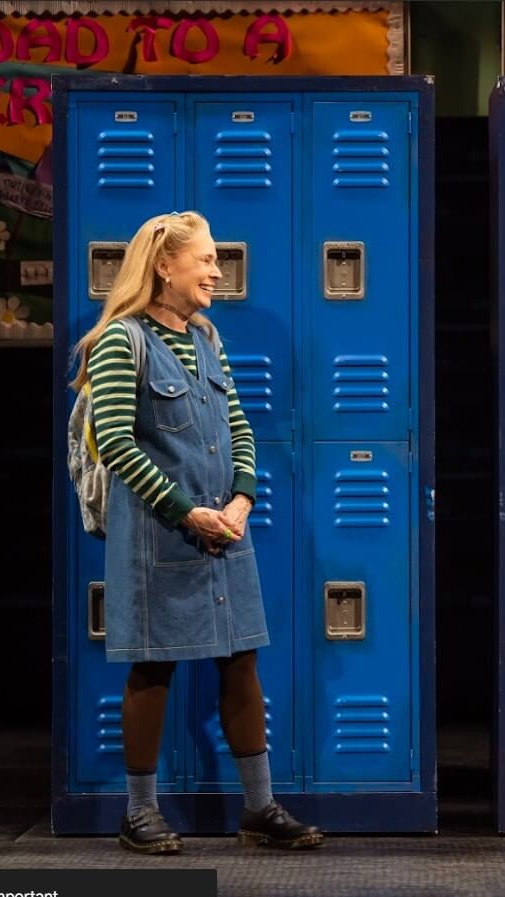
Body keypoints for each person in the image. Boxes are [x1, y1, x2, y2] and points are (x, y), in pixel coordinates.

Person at [70, 211, 323, 855]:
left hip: (223, 533)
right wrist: (186, 512)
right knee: (151, 671)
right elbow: (119, 447)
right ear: (164, 265)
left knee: (241, 662)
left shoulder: (207, 339)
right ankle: (139, 812)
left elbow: (239, 428)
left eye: (215, 260)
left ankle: (260, 808)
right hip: (159, 536)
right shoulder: (121, 342)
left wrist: (242, 499)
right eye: (205, 260)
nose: (217, 270)